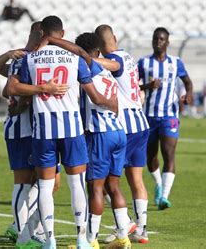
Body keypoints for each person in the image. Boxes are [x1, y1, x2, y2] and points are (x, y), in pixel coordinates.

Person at [8, 15, 117, 249]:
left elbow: (12, 87)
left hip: (42, 130)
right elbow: (92, 94)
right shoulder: (74, 58)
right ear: (63, 33)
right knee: (76, 183)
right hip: (72, 130)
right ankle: (81, 239)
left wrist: (38, 91)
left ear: (42, 32)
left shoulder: (30, 59)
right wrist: (112, 104)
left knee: (45, 188)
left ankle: (50, 240)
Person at [0, 22, 70, 248]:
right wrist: (43, 89)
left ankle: (25, 228)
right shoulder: (24, 58)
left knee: (50, 182)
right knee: (24, 182)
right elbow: (9, 88)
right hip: (21, 128)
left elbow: (0, 75)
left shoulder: (37, 58)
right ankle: (21, 233)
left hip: (39, 129)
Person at [75, 32, 133, 249]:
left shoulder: (87, 68)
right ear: (98, 51)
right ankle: (123, 237)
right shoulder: (107, 73)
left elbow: (97, 99)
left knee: (96, 188)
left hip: (100, 133)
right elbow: (115, 103)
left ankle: (91, 241)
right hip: (118, 131)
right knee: (114, 186)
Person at [95, 24, 151, 244]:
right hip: (141, 123)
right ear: (115, 37)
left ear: (100, 46)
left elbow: (112, 65)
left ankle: (125, 223)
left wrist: (86, 59)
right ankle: (141, 229)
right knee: (136, 179)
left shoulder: (115, 59)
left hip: (126, 127)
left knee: (109, 181)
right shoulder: (128, 55)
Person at [137, 27, 194, 213]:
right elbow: (133, 84)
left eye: (162, 39)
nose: (159, 42)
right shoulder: (143, 63)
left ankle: (164, 197)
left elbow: (187, 81)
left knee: (169, 154)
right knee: (151, 156)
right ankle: (159, 184)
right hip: (148, 116)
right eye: (156, 39)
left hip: (169, 115)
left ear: (168, 42)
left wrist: (188, 94)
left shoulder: (176, 63)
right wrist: (148, 85)